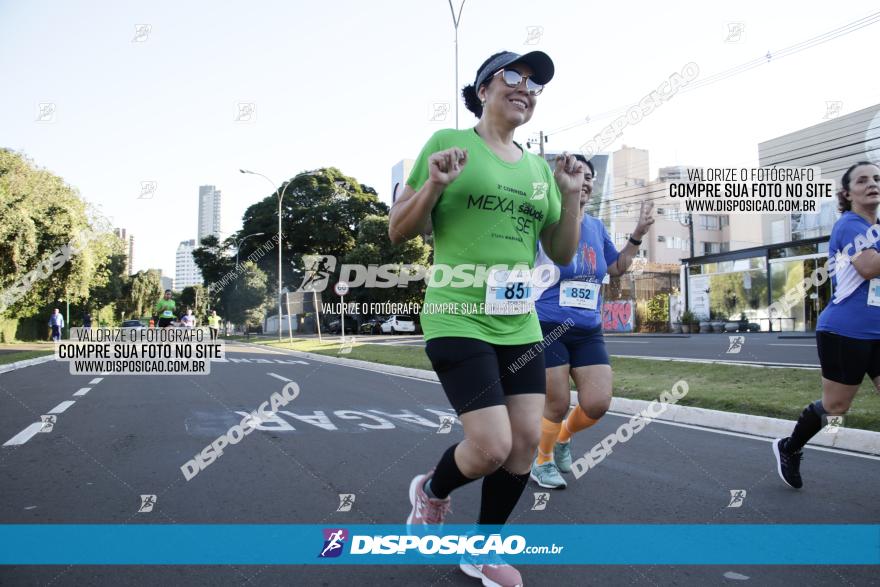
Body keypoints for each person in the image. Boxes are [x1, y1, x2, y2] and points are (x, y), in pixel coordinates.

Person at [389, 50, 584, 586]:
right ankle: (431, 492)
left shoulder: (539, 170)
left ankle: (482, 549)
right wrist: (433, 185)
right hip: (457, 317)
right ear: (482, 90)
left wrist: (573, 202)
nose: (527, 87)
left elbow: (561, 252)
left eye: (535, 83)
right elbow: (398, 231)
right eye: (514, 76)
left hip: (518, 322)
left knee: (523, 445)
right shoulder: (449, 145)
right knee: (491, 447)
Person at [529, 155, 655, 489]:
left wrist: (639, 234)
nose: (584, 181)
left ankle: (563, 439)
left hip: (587, 330)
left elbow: (616, 267)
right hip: (547, 325)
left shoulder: (597, 227)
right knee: (555, 402)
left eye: (589, 177)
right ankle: (541, 462)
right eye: (576, 174)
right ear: (562, 180)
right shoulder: (547, 221)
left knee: (597, 404)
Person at [773, 161, 880, 489]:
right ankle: (789, 447)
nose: (872, 183)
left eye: (876, 178)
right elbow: (869, 268)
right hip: (844, 332)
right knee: (836, 406)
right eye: (862, 180)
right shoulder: (849, 225)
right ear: (848, 194)